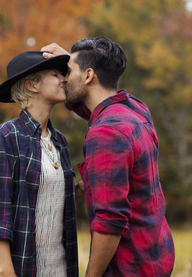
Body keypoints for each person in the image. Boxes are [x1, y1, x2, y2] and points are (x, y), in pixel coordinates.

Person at [41, 37, 175, 277]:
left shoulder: (107, 133)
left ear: (89, 76)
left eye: (68, 72)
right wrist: (73, 63)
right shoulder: (134, 108)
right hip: (156, 255)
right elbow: (87, 103)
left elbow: (110, 221)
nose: (63, 78)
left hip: (130, 267)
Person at [0, 51, 82, 277]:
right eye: (56, 74)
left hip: (60, 269)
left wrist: (83, 187)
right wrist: (7, 272)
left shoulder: (60, 141)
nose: (64, 79)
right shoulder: (5, 136)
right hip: (20, 269)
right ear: (31, 86)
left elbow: (50, 198)